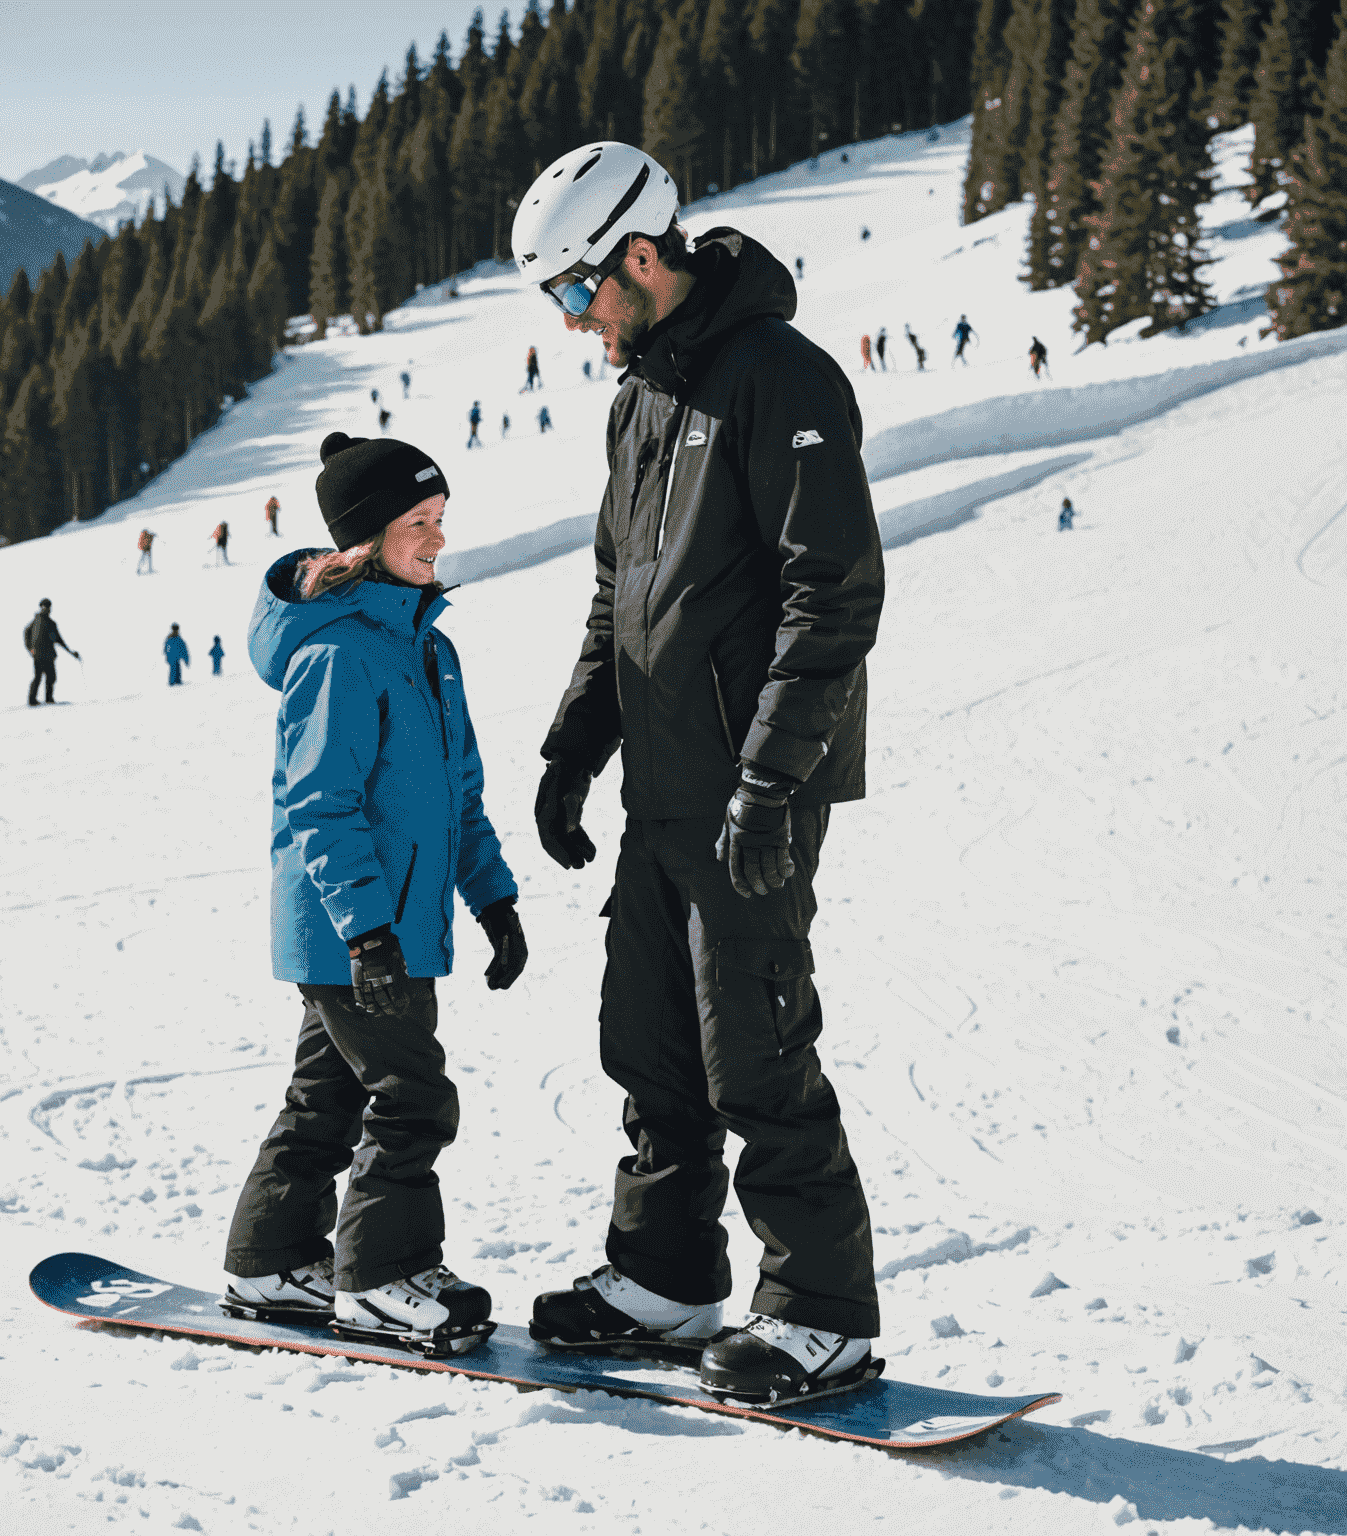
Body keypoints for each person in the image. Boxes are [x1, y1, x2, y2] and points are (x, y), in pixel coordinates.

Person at [511, 141, 884, 1405]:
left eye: (575, 292)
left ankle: (823, 1314)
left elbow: (829, 593)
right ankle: (665, 1279)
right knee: (653, 1044)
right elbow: (621, 593)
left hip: (753, 787)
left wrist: (773, 784)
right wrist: (574, 750)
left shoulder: (782, 376)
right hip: (663, 785)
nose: (570, 323)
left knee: (758, 1049)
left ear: (640, 255)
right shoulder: (642, 398)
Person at [222, 430, 527, 1348]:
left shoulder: (429, 650)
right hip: (349, 929)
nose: (435, 540)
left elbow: (458, 795)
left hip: (393, 925)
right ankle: (384, 1276)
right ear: (363, 541)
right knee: (412, 1095)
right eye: (415, 524)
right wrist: (365, 931)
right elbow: (320, 804)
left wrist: (495, 900)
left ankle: (270, 1262)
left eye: (439, 520)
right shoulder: (338, 655)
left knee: (327, 1097)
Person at [24, 598, 78, 706]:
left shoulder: (51, 624)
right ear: (41, 607)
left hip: (49, 655)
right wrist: (30, 648)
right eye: (44, 606)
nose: (46, 608)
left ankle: (49, 698)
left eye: (48, 606)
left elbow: (59, 639)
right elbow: (26, 633)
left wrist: (71, 652)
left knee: (51, 676)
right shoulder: (36, 621)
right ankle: (32, 700)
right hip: (38, 654)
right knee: (38, 677)